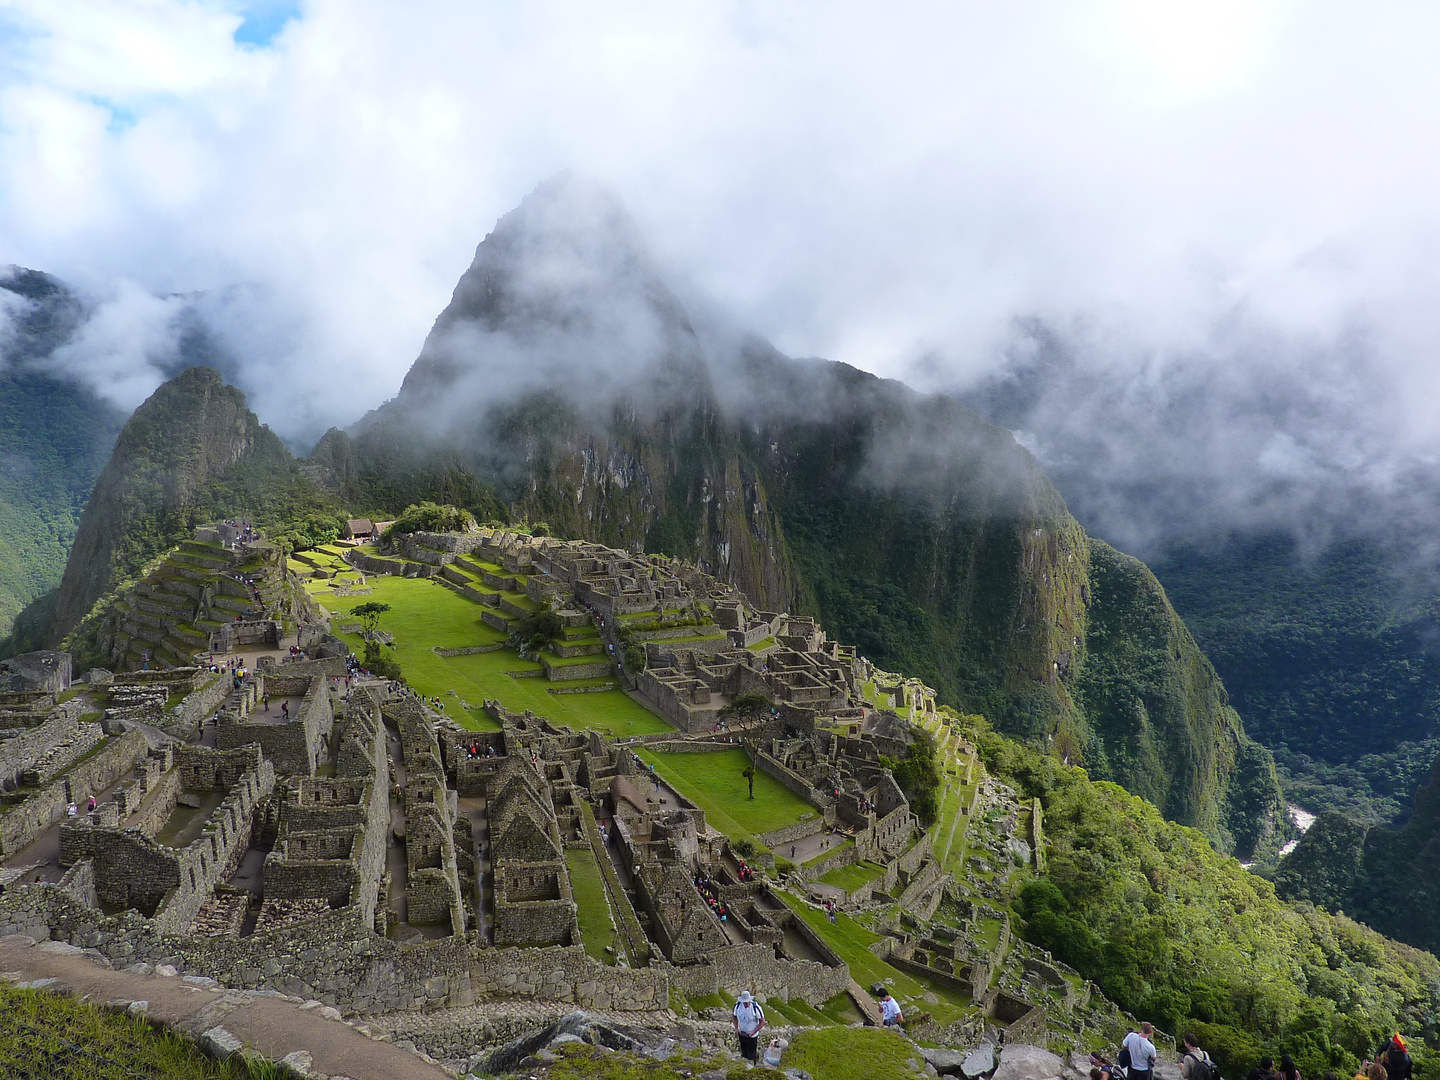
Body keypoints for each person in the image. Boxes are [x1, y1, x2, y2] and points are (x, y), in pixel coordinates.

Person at [733, 990, 766, 1064]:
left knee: (751, 1055)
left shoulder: (755, 1007)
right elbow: (734, 1016)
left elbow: (762, 1021)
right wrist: (736, 1027)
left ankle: (752, 1068)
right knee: (744, 1053)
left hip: (752, 1035)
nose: (747, 1003)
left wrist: (754, 1032)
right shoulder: (738, 1006)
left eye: (748, 1001)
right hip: (742, 1033)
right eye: (745, 1002)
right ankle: (744, 1067)